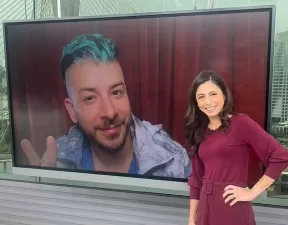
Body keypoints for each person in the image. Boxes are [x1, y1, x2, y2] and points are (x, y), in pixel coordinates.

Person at [20, 33, 191, 179]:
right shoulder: (55, 163)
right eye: (90, 98)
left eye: (116, 92)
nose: (109, 112)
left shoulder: (173, 160)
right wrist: (44, 199)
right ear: (72, 111)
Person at [184, 70, 288, 225]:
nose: (208, 101)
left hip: (231, 206)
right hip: (204, 209)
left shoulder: (241, 123)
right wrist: (191, 219)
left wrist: (252, 192)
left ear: (224, 95)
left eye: (213, 94)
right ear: (196, 102)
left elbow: (280, 157)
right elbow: (196, 179)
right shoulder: (199, 131)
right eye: (201, 97)